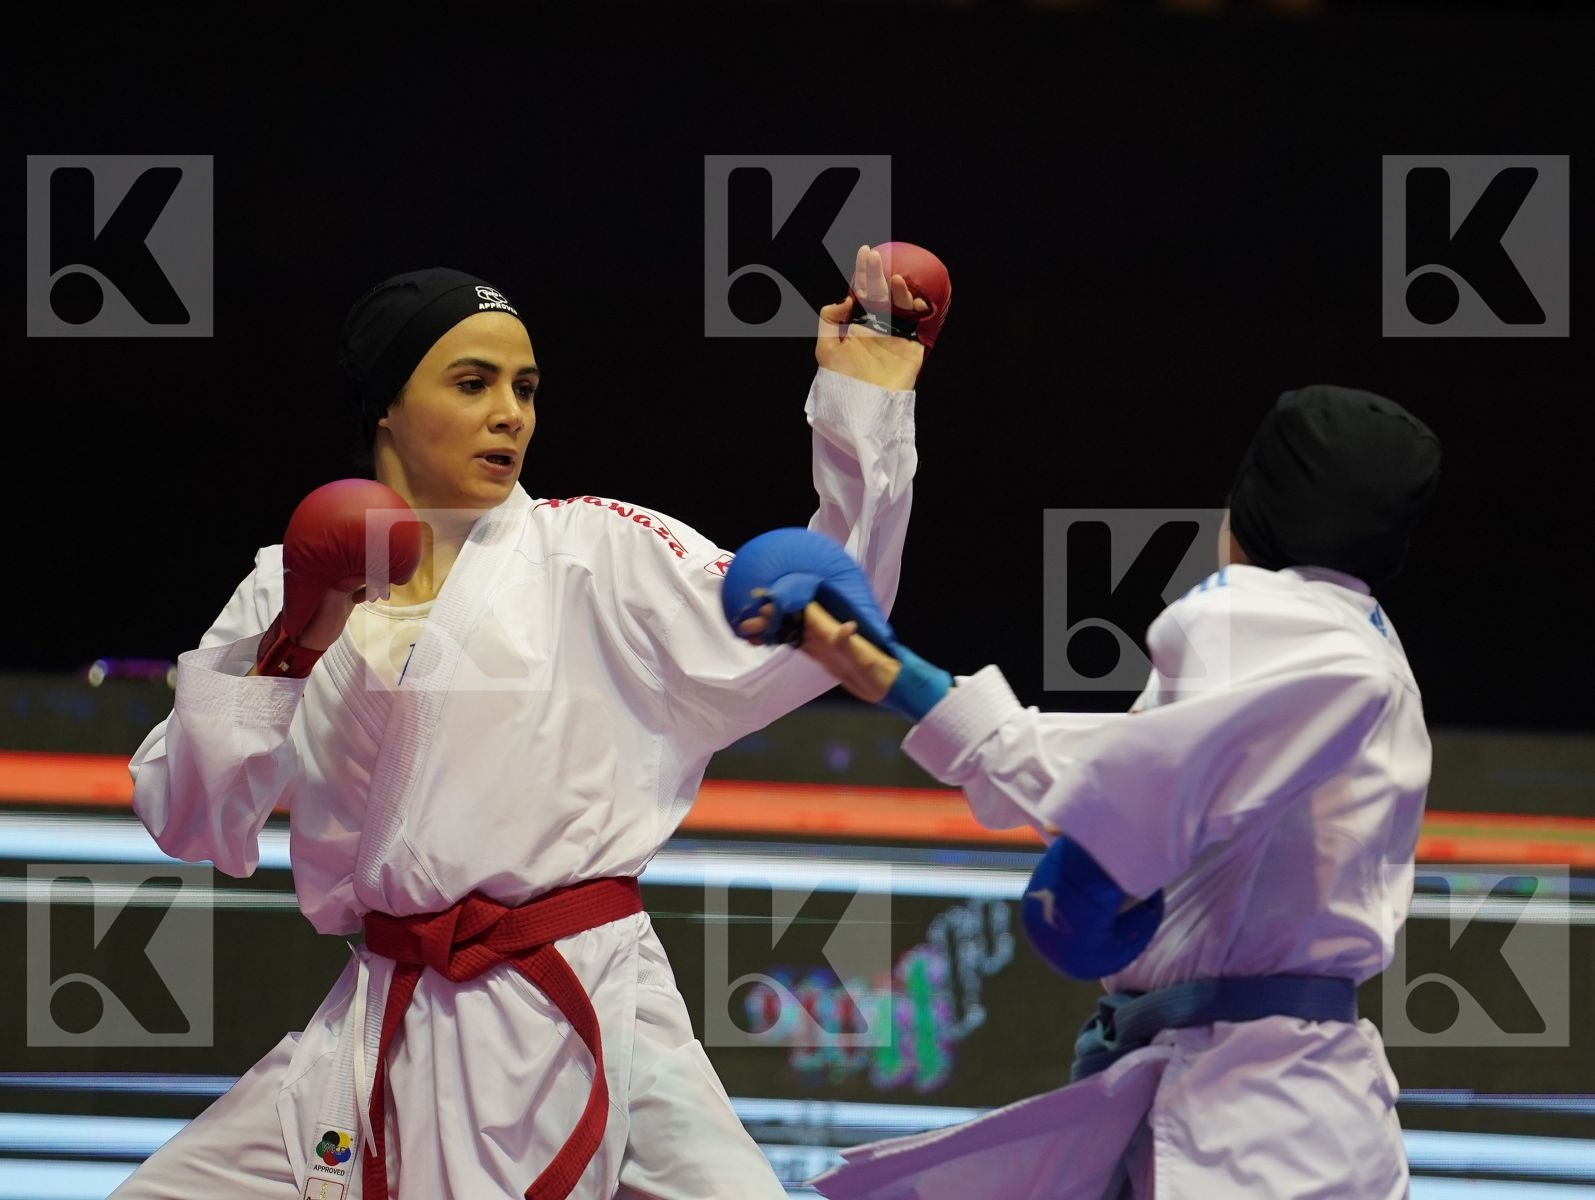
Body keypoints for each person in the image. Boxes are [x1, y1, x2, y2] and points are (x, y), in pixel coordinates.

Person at [114, 246, 943, 1200]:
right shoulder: (285, 584)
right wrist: (295, 644)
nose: (511, 411)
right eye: (472, 383)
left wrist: (866, 404)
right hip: (387, 1019)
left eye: (525, 386)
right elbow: (183, 816)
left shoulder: (595, 553)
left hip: (581, 1002)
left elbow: (824, 620)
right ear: (386, 405)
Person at [727, 384, 1441, 1199]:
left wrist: (902, 680)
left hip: (1259, 1126)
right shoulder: (1357, 655)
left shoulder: (1272, 620)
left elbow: (1118, 788)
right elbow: (1125, 773)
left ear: (1242, 514)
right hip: (1268, 1108)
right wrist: (898, 679)